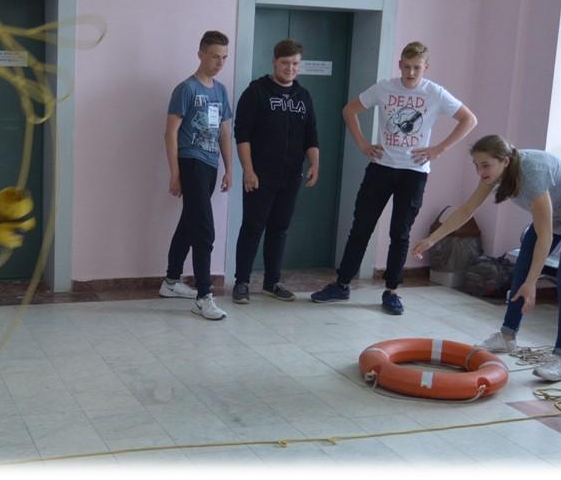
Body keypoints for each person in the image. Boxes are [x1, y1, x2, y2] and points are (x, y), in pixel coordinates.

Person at [413, 134, 561, 382]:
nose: (480, 172)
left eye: (485, 165)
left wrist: (533, 283)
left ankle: (560, 359)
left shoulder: (532, 173)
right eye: (477, 165)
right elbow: (467, 209)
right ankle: (507, 336)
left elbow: (544, 236)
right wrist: (432, 239)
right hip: (551, 219)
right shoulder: (495, 174)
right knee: (519, 273)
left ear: (505, 160)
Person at [310, 41, 477, 315]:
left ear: (426, 67)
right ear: (400, 64)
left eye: (417, 68)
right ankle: (341, 284)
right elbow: (349, 110)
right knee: (361, 227)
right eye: (407, 67)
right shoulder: (384, 88)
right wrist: (363, 144)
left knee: (400, 233)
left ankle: (392, 291)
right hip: (381, 168)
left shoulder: (435, 93)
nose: (411, 73)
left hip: (414, 172)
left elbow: (469, 119)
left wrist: (439, 148)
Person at [230, 39, 319, 304]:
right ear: (274, 62)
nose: (290, 68)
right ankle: (242, 282)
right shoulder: (256, 92)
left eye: (295, 64)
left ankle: (272, 282)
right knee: (252, 227)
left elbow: (311, 135)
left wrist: (314, 164)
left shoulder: (303, 96)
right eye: (285, 63)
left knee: (279, 229)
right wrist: (248, 170)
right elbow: (242, 135)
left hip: (291, 176)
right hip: (260, 175)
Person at [160, 30, 234, 321]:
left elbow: (225, 132)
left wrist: (229, 169)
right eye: (215, 56)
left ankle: (171, 281)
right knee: (204, 230)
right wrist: (174, 174)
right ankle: (204, 296)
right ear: (201, 54)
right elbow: (170, 133)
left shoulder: (221, 91)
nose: (220, 63)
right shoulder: (186, 89)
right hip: (190, 163)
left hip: (210, 166)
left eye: (224, 58)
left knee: (189, 224)